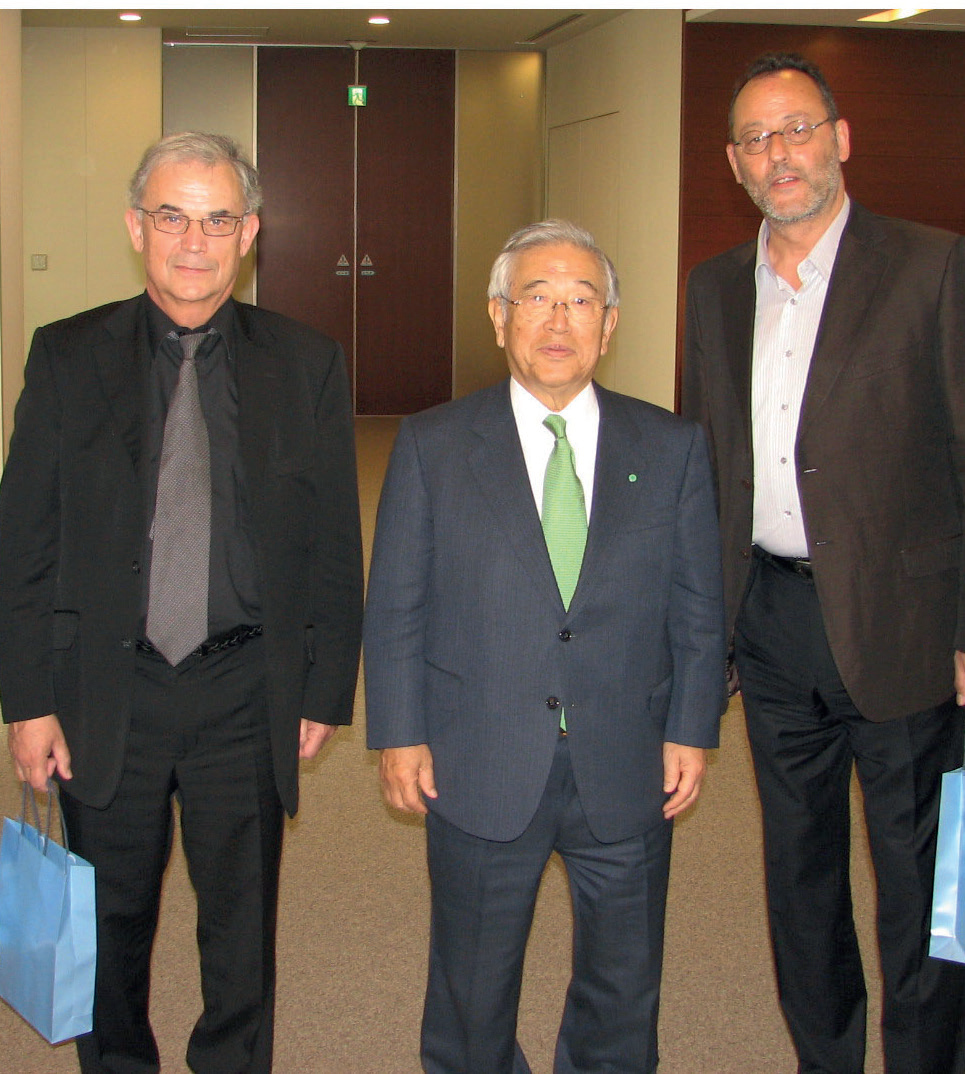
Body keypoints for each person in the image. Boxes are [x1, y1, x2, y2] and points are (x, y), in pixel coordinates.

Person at [0, 132, 364, 1074]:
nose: (192, 241)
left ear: (249, 233)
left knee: (241, 929)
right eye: (171, 216)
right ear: (135, 227)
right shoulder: (67, 355)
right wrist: (28, 700)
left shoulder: (307, 361)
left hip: (245, 686)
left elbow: (332, 543)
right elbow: (24, 544)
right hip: (101, 689)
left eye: (215, 219)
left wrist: (324, 692)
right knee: (110, 919)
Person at [365, 219, 725, 1074]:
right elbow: (396, 606)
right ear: (498, 316)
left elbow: (697, 604)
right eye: (535, 298)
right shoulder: (432, 444)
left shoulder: (670, 446)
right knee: (472, 983)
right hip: (475, 750)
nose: (557, 322)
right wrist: (399, 732)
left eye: (579, 301)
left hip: (628, 754)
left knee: (623, 978)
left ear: (609, 324)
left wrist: (691, 726)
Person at [682, 53, 965, 1074]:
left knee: (922, 878)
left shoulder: (932, 267)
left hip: (905, 629)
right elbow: (707, 465)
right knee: (796, 877)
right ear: (733, 163)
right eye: (756, 140)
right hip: (768, 626)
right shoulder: (710, 290)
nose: (778, 154)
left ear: (839, 138)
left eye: (796, 129)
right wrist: (701, 632)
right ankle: (826, 1058)